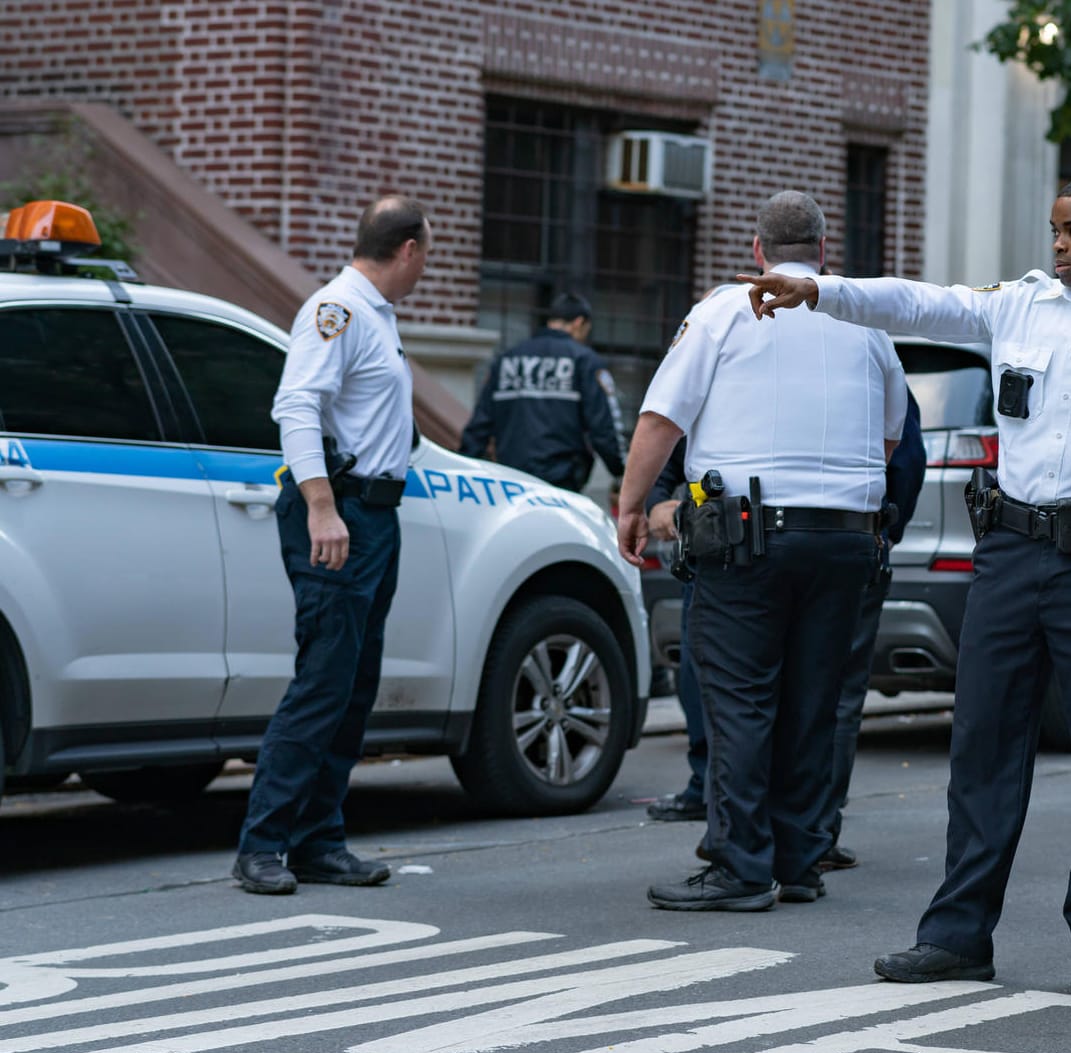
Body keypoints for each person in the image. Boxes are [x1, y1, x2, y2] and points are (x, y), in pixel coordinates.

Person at [743, 171, 1071, 994]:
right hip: (1009, 557)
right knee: (981, 751)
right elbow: (918, 304)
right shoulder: (1018, 305)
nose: (1059, 244)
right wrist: (817, 288)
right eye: (1056, 229)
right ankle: (958, 935)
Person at [618, 190, 907, 912]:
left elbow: (661, 418)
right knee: (814, 701)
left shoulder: (723, 311)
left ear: (757, 251)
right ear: (822, 248)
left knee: (741, 701)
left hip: (746, 542)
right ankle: (799, 860)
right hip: (845, 540)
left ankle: (741, 865)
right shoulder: (862, 318)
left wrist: (629, 505)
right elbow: (894, 432)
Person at [233, 196, 431, 895]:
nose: (424, 265)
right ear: (408, 249)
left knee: (352, 685)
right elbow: (296, 408)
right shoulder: (337, 311)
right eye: (425, 253)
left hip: (373, 516)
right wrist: (322, 507)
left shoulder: (376, 315)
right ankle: (263, 845)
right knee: (323, 682)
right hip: (341, 512)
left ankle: (320, 839)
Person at [821, 389, 925, 871]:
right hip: (859, 541)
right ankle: (816, 833)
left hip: (773, 541)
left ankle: (761, 832)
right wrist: (889, 528)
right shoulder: (875, 362)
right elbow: (906, 464)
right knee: (840, 696)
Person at [459, 292, 626, 492]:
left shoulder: (507, 360)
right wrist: (621, 471)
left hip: (511, 481)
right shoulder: (585, 361)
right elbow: (604, 427)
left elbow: (479, 425)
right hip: (561, 482)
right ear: (579, 323)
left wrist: (466, 471)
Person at [643, 436, 710, 825]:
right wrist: (655, 505)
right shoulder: (711, 382)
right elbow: (661, 462)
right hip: (714, 550)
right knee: (695, 677)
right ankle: (706, 786)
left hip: (784, 549)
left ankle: (806, 815)